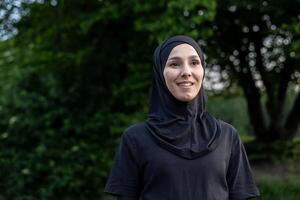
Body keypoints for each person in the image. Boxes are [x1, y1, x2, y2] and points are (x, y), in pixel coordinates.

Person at [104, 35, 260, 200]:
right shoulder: (135, 139)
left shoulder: (228, 136)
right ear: (160, 73)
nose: (186, 72)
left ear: (203, 70)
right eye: (174, 64)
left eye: (194, 63)